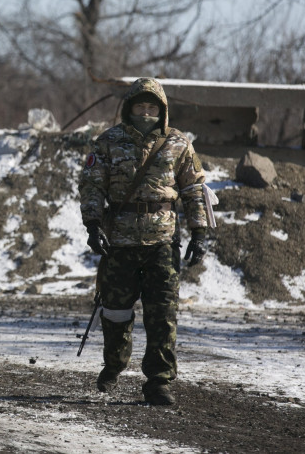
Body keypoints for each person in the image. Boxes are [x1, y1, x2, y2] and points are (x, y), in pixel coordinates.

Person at [78, 77, 208, 406]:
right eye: (140, 106)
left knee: (162, 314)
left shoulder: (179, 143)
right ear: (129, 108)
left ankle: (159, 382)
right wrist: (93, 225)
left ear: (162, 110)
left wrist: (200, 232)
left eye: (152, 107)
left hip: (163, 243)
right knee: (116, 313)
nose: (146, 112)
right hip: (119, 243)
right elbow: (92, 184)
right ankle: (114, 365)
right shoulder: (108, 142)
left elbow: (194, 190)